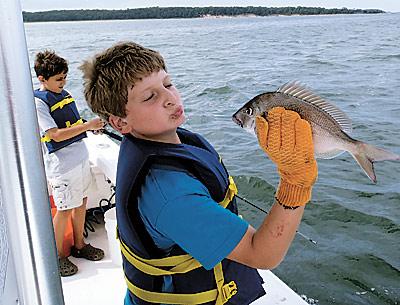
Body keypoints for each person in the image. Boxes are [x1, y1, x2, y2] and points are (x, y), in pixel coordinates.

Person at [79, 42, 318, 305]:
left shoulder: (169, 140)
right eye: (150, 97)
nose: (170, 98)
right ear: (120, 123)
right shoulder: (171, 196)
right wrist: (295, 181)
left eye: (167, 84)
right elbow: (262, 254)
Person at [33, 50, 105, 277]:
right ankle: (58, 258)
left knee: (82, 202)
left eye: (64, 78)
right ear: (42, 79)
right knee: (64, 210)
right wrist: (86, 126)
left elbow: (74, 122)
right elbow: (55, 134)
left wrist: (90, 125)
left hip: (81, 158)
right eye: (58, 79)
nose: (63, 83)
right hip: (63, 166)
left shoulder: (63, 94)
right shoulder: (38, 103)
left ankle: (80, 245)